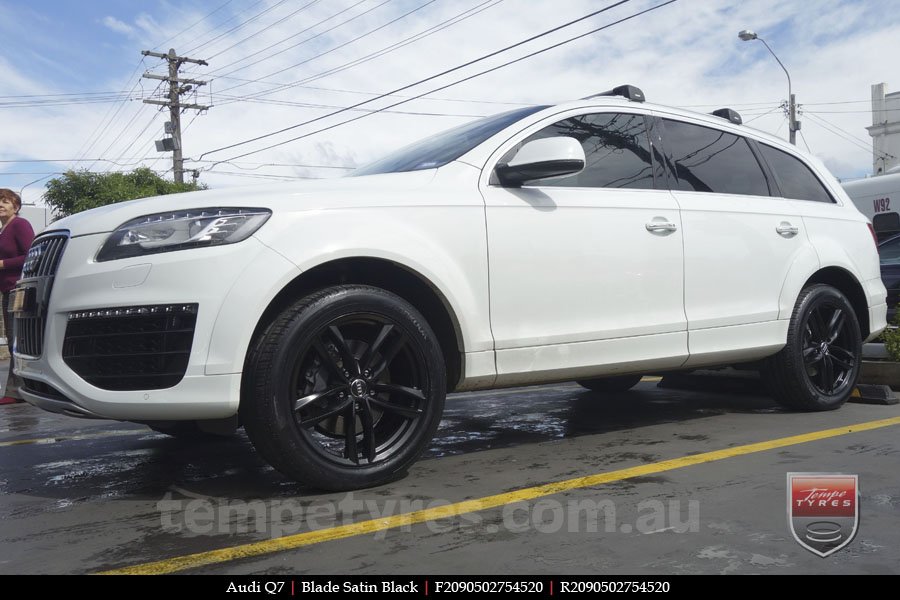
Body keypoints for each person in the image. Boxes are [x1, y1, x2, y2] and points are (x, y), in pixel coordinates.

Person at [0, 188, 35, 404]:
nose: (0, 205)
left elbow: (32, 253)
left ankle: (15, 392)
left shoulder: (20, 225)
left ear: (16, 206)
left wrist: (3, 263)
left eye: (5, 201)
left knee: (16, 341)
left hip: (18, 289)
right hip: (7, 290)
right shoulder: (3, 230)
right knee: (16, 340)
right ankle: (22, 389)